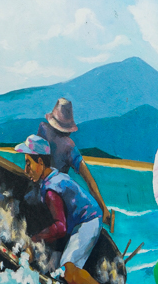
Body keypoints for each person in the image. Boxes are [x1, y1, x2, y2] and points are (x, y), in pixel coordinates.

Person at [15, 134, 111, 284]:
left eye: (28, 163)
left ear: (41, 163)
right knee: (61, 268)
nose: (25, 169)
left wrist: (34, 239)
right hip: (82, 220)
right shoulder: (52, 177)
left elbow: (60, 228)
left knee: (67, 271)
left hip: (88, 221)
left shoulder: (51, 190)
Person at [37, 98, 113, 228]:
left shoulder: (42, 129)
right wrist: (104, 209)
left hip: (38, 191)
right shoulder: (69, 146)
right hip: (55, 197)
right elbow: (89, 180)